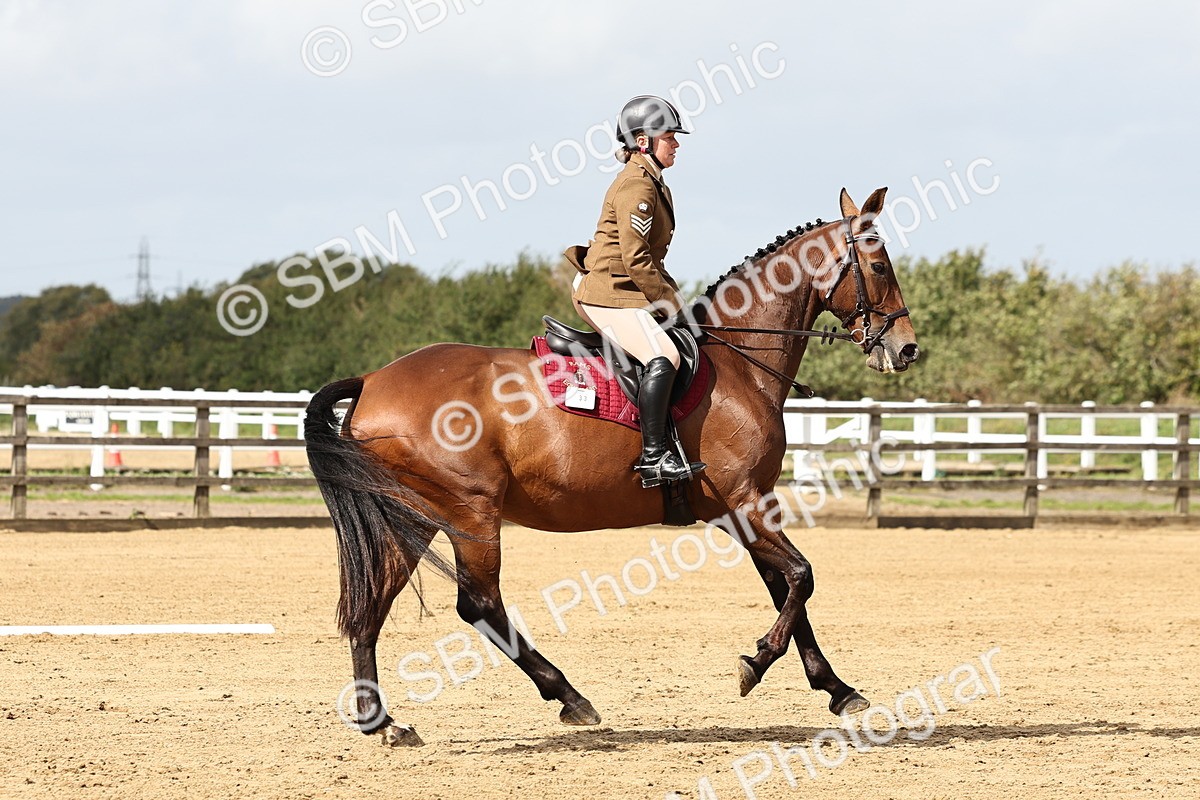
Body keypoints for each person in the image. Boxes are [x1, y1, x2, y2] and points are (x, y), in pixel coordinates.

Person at [567, 95, 706, 488]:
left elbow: (651, 263)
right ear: (643, 141)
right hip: (607, 292)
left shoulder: (652, 182)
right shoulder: (636, 185)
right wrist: (673, 306)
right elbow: (637, 261)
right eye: (669, 137)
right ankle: (653, 458)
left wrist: (679, 302)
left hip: (624, 289)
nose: (676, 143)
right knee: (664, 353)